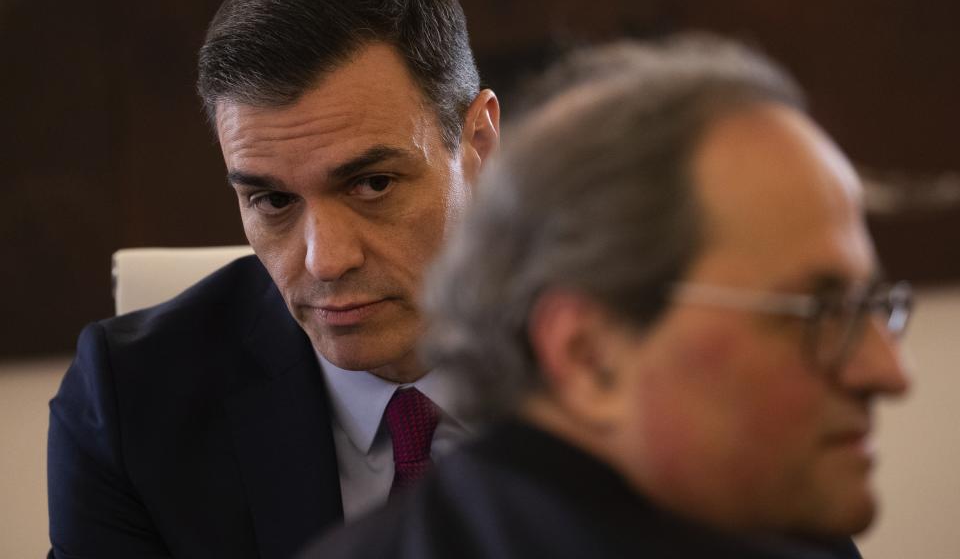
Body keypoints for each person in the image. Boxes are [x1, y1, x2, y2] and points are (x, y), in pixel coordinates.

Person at [301, 35, 911, 559]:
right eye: (816, 314)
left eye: (870, 306)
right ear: (589, 355)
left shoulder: (775, 520)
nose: (888, 371)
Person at [47, 0, 499, 559]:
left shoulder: (642, 356)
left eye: (373, 183)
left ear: (478, 144)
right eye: (274, 201)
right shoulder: (132, 402)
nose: (325, 259)